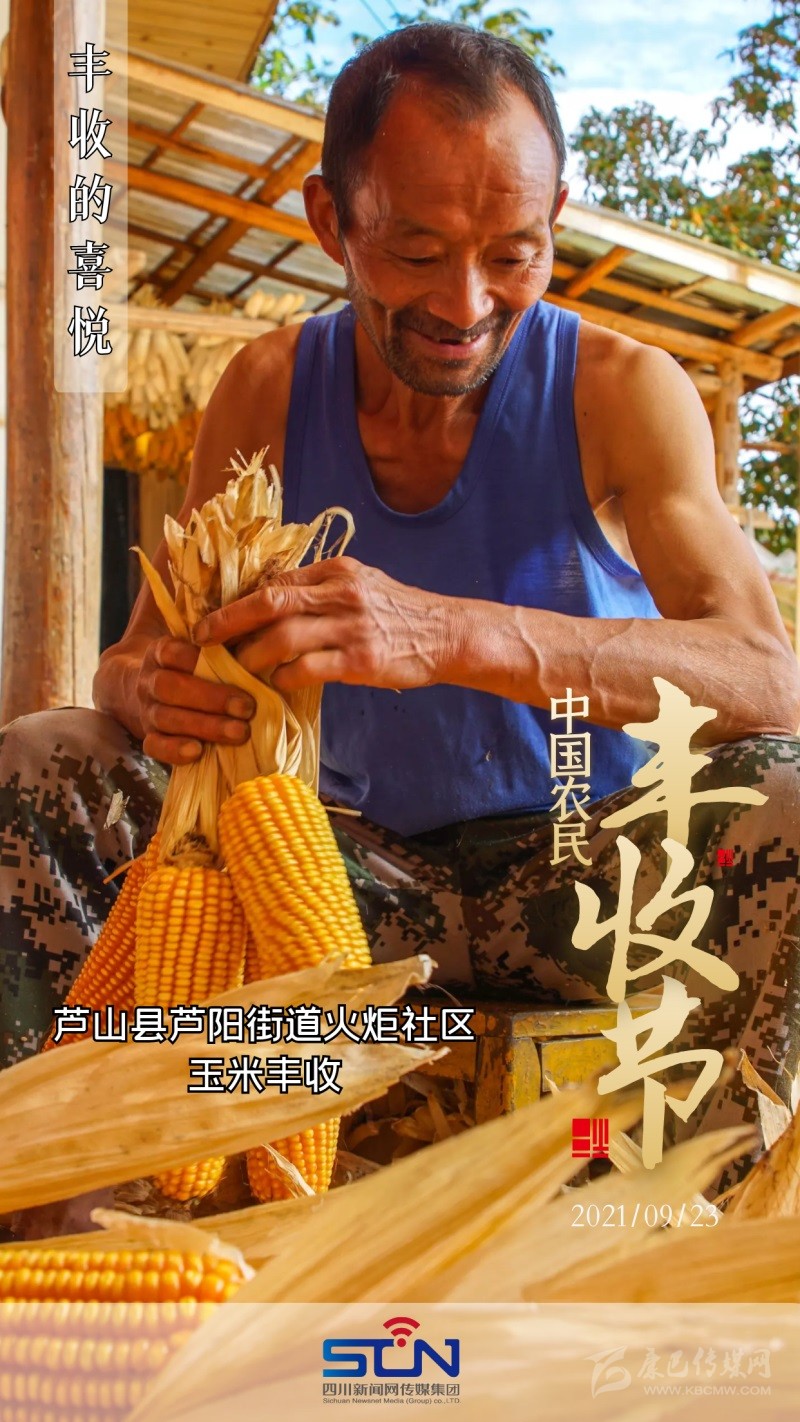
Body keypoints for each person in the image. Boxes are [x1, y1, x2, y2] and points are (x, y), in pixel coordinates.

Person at [1, 25, 798, 1186]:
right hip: (340, 879)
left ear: (555, 218)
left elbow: (766, 677)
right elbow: (129, 662)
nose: (464, 303)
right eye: (415, 250)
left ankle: (683, 1202)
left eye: (512, 254)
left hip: (581, 875)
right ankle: (76, 1208)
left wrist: (456, 633)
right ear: (331, 220)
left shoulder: (623, 391)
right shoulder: (266, 388)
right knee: (44, 758)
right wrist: (151, 691)